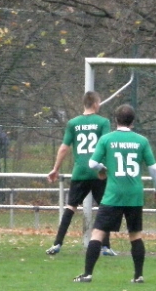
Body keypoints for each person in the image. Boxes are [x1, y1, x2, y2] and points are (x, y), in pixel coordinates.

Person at [74, 104, 156, 283]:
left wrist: (103, 168)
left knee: (98, 233)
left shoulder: (107, 139)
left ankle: (87, 274)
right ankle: (138, 276)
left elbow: (92, 164)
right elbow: (153, 168)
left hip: (113, 195)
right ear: (133, 122)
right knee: (135, 235)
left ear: (115, 120)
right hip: (134, 195)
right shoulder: (141, 141)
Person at [46, 90, 115, 256]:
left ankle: (57, 244)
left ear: (84, 104)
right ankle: (105, 247)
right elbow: (107, 145)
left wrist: (55, 169)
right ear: (96, 104)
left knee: (70, 207)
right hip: (98, 172)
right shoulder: (103, 122)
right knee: (104, 208)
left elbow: (64, 148)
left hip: (80, 172)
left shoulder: (73, 123)